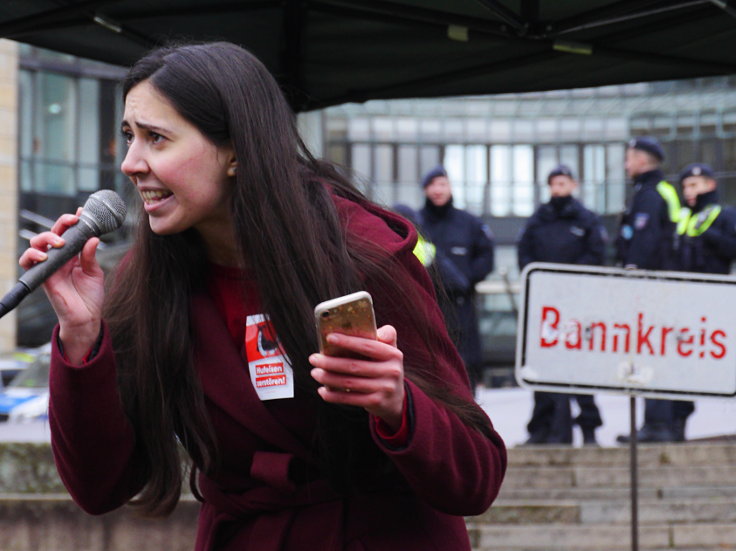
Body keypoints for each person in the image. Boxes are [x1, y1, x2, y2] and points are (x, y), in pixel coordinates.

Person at [19, 42, 506, 551]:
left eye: (156, 139)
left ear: (235, 151)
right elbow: (99, 489)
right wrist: (80, 335)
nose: (130, 163)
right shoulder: (145, 277)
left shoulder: (365, 256)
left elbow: (478, 475)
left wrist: (400, 405)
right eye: (128, 136)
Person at [517, 164, 607, 446]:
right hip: (545, 306)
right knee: (542, 366)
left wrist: (569, 280)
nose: (559, 189)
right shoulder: (538, 220)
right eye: (554, 184)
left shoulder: (587, 219)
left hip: (578, 304)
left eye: (563, 183)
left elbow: (597, 254)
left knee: (580, 367)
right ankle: (541, 428)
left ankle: (589, 427)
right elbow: (525, 254)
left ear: (574, 185)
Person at [615, 136, 684, 444]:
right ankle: (656, 423)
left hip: (653, 289)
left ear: (642, 161)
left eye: (629, 158)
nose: (626, 165)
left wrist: (633, 273)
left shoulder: (651, 193)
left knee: (651, 353)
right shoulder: (655, 190)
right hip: (661, 287)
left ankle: (658, 425)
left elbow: (646, 240)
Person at [672, 162, 736, 440]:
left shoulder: (724, 215)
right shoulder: (682, 217)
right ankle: (673, 428)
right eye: (686, 186)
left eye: (694, 186)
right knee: (680, 369)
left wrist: (707, 234)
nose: (689, 191)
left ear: (710, 185)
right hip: (686, 303)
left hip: (717, 302)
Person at [417, 166, 495, 391]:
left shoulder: (469, 223)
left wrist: (466, 280)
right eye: (432, 185)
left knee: (464, 365)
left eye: (442, 184)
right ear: (425, 190)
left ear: (450, 187)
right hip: (427, 303)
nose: (437, 190)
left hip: (462, 306)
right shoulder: (417, 222)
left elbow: (486, 257)